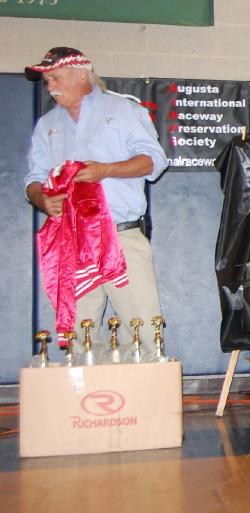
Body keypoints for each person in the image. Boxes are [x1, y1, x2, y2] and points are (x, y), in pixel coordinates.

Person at [23, 47, 169, 351]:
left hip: (121, 235)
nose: (50, 87)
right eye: (47, 81)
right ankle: (86, 381)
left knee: (144, 328)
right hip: (72, 240)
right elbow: (33, 179)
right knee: (79, 333)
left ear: (81, 75)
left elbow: (154, 162)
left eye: (55, 77)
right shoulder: (47, 125)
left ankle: (145, 382)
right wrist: (41, 199)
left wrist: (106, 170)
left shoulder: (124, 111)